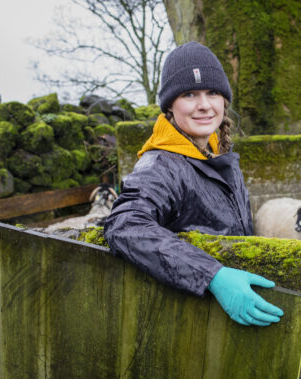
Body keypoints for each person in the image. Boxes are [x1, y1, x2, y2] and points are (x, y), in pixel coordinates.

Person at [104, 41, 283, 327]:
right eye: (189, 94)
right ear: (170, 107)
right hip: (189, 324)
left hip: (225, 317)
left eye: (212, 92)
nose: (204, 105)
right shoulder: (161, 166)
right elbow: (125, 224)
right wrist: (212, 275)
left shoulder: (219, 154)